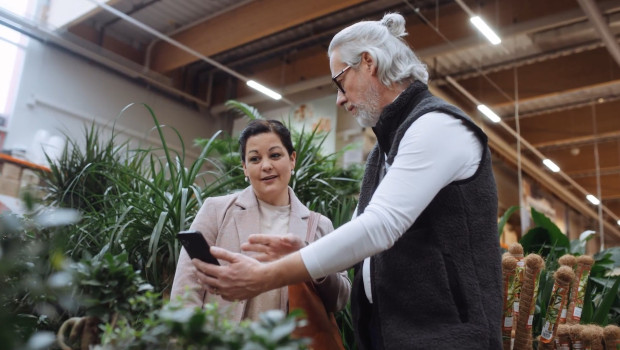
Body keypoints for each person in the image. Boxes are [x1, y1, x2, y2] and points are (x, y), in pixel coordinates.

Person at [192, 13, 503, 349]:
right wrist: (306, 252)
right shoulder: (382, 152)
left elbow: (379, 226)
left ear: (368, 62)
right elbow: (357, 238)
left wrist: (264, 277)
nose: (339, 99)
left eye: (339, 81)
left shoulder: (436, 126)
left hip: (446, 336)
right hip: (391, 336)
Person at [170, 119, 350, 324]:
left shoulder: (318, 225)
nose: (266, 166)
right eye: (255, 159)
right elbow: (186, 289)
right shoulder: (216, 211)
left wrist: (311, 263)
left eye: (275, 155)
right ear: (245, 168)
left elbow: (340, 299)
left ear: (292, 159)